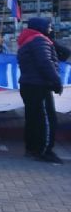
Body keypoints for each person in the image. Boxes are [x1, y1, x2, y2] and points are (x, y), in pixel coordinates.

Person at [17, 17, 63, 163]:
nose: (50, 29)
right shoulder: (39, 40)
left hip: (29, 85)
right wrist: (56, 81)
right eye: (48, 26)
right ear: (41, 27)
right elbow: (45, 62)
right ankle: (45, 151)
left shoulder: (27, 40)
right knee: (47, 119)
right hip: (39, 86)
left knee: (33, 119)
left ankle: (32, 148)